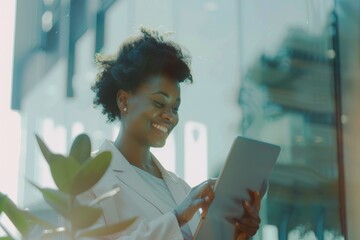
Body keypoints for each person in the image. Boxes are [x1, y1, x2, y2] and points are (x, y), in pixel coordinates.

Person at [87, 27, 261, 239]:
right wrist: (176, 217)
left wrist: (239, 234)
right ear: (124, 100)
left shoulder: (180, 188)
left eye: (175, 108)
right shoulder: (89, 178)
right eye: (159, 102)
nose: (170, 116)